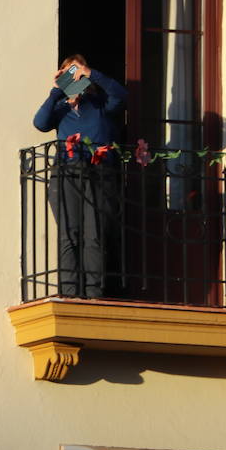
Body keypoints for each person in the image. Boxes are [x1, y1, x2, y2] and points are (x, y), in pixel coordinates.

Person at [33, 55, 129, 298]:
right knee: (69, 232)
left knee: (94, 234)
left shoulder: (100, 103)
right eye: (66, 73)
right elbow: (41, 123)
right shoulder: (60, 108)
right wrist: (56, 92)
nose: (71, 77)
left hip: (99, 172)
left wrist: (90, 73)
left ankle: (93, 292)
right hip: (67, 172)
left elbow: (122, 96)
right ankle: (69, 292)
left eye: (74, 72)